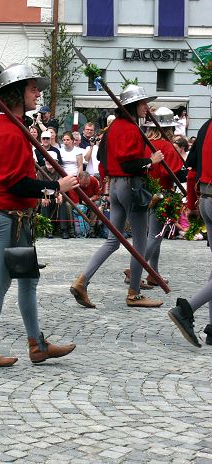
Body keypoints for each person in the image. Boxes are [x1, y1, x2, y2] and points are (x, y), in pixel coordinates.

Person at [0, 63, 78, 368]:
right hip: (9, 218)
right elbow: (14, 181)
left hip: (17, 217)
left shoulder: (8, 126)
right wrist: (54, 185)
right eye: (32, 88)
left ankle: (37, 344)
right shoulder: (6, 130)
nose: (38, 93)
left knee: (29, 280)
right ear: (17, 93)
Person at [70, 84, 165, 309]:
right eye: (143, 104)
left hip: (114, 185)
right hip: (130, 184)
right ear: (133, 106)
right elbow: (128, 161)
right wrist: (150, 161)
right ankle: (134, 293)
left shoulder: (112, 129)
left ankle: (82, 280)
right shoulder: (131, 128)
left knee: (113, 240)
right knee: (140, 240)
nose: (146, 107)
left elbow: (103, 157)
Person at [168, 109, 212, 347]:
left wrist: (191, 201)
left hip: (206, 199)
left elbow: (192, 171)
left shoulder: (206, 126)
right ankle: (186, 310)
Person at [132, 107, 184, 287]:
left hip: (144, 192)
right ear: (169, 128)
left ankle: (153, 274)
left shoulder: (145, 144)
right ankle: (136, 269)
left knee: (154, 234)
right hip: (162, 194)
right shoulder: (167, 146)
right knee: (156, 235)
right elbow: (173, 173)